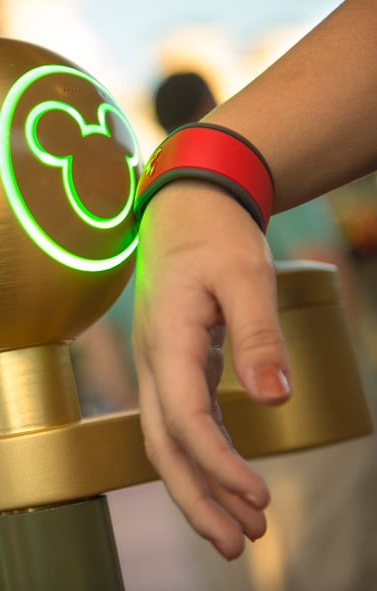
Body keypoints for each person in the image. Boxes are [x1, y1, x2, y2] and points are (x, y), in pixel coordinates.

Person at [132, 0, 377, 564]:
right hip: (312, 412)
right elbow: (328, 268)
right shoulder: (251, 193)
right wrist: (358, 370)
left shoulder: (152, 219)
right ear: (211, 100)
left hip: (204, 433)